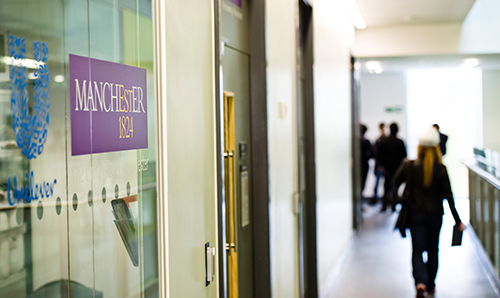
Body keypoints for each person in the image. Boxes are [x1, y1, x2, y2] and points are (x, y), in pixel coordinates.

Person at [393, 127, 465, 298]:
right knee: (433, 250)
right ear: (436, 148)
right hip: (435, 215)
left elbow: (395, 182)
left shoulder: (408, 165)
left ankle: (420, 283)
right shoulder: (441, 169)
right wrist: (458, 220)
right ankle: (431, 285)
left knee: (417, 250)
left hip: (415, 214)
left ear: (420, 147)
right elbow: (449, 197)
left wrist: (401, 200)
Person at [378, 123, 407, 212]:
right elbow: (404, 156)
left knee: (386, 187)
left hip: (387, 167)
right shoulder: (400, 142)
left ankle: (384, 206)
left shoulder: (384, 141)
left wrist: (381, 165)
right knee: (395, 187)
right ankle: (393, 205)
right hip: (397, 168)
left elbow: (379, 154)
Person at [372, 123, 387, 203]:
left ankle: (385, 199)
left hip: (385, 165)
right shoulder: (378, 140)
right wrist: (379, 164)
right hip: (379, 165)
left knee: (386, 183)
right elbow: (376, 154)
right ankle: (375, 198)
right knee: (377, 182)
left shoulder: (385, 140)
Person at [360, 124, 374, 196]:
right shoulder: (366, 141)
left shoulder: (354, 141)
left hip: (359, 165)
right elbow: (371, 154)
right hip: (364, 165)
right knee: (362, 184)